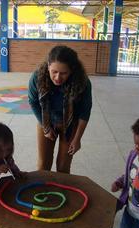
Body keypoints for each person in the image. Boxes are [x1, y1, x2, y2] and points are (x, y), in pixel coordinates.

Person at [28, 45, 92, 173]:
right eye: (54, 72)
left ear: (72, 70)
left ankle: (61, 191)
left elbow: (85, 112)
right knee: (43, 165)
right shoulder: (37, 77)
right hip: (46, 121)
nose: (58, 78)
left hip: (70, 123)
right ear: (48, 66)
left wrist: (77, 139)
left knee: (63, 167)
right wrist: (45, 127)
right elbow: (33, 101)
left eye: (63, 73)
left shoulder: (83, 82)